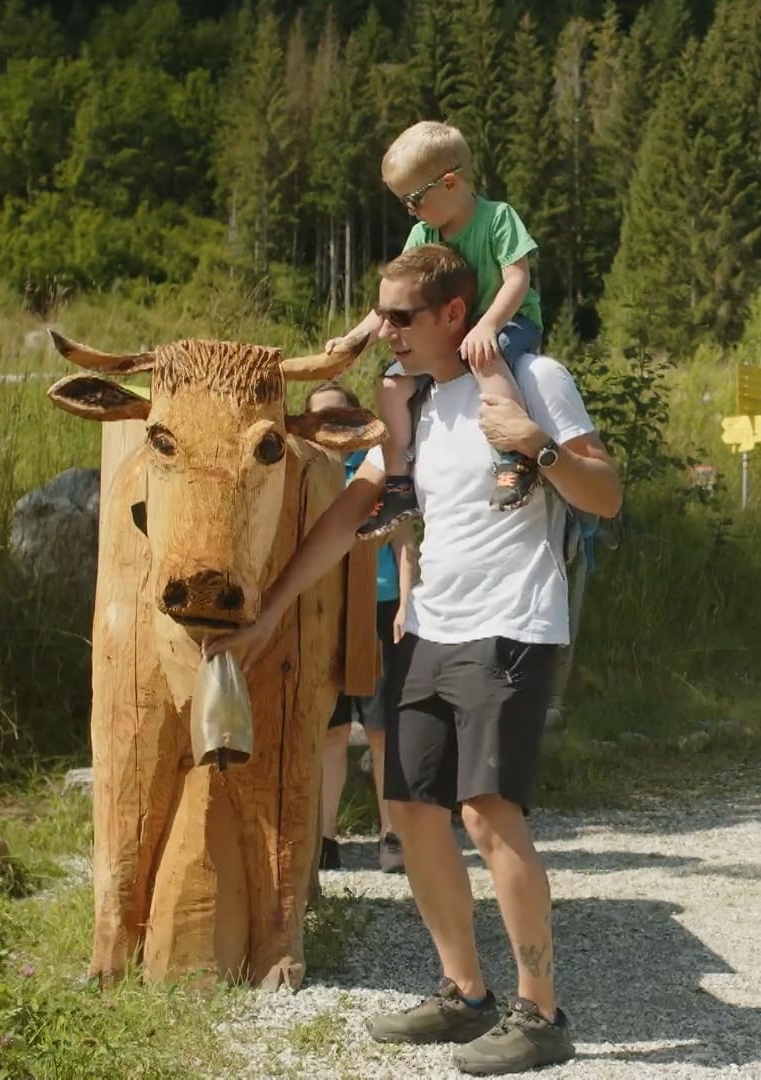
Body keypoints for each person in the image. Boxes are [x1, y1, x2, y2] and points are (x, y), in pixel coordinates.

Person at [209, 243, 620, 1076]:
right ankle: (464, 994)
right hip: (432, 626)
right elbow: (348, 517)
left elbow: (606, 494)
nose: (384, 330)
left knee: (485, 809)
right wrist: (269, 614)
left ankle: (541, 1013)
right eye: (381, 314)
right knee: (413, 808)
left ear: (453, 316)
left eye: (401, 317)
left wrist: (535, 445)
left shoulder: (534, 378)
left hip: (513, 625)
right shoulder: (419, 407)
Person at [330, 120, 548, 539]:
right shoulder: (422, 233)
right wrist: (354, 341)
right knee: (393, 386)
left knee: (486, 356)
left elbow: (517, 278)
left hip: (505, 321)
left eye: (413, 200)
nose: (409, 211)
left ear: (449, 182)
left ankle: (515, 457)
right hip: (451, 334)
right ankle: (398, 483)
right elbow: (396, 300)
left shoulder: (498, 218)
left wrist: (488, 325)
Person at [301, 380, 414, 875]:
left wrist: (409, 603)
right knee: (329, 732)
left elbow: (405, 544)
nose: (331, 429)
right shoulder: (299, 475)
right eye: (319, 420)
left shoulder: (379, 472)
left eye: (340, 418)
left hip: (380, 608)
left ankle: (393, 834)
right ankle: (325, 840)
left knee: (381, 730)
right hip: (320, 614)